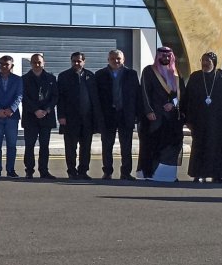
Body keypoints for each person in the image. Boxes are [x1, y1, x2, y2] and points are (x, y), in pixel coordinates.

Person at [183, 51, 222, 183]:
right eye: (203, 60)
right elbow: (188, 99)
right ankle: (198, 173)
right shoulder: (195, 77)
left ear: (213, 62)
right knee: (200, 147)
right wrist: (188, 119)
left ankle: (218, 175)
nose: (205, 63)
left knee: (219, 147)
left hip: (220, 121)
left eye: (207, 61)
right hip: (200, 121)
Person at [138, 45, 185, 181]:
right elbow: (144, 92)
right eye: (163, 56)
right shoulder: (149, 71)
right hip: (154, 116)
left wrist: (174, 103)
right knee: (153, 144)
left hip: (171, 117)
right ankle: (150, 173)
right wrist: (149, 111)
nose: (165, 58)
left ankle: (168, 174)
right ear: (158, 56)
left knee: (170, 144)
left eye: (168, 56)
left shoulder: (177, 73)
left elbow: (182, 93)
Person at [94, 49, 140, 181]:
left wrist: (137, 114)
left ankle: (126, 172)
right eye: (113, 58)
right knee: (107, 145)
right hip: (108, 115)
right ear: (108, 60)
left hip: (126, 114)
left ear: (123, 59)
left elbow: (136, 95)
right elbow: (96, 98)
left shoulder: (131, 74)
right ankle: (107, 171)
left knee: (126, 146)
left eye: (118, 58)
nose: (116, 61)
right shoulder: (100, 74)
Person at [56, 52, 97, 180]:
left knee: (86, 147)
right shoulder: (63, 76)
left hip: (87, 119)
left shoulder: (90, 76)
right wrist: (61, 116)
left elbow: (95, 98)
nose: (76, 63)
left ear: (84, 61)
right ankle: (72, 171)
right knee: (70, 147)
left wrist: (96, 118)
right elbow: (60, 98)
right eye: (74, 61)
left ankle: (83, 171)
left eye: (79, 61)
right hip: (70, 118)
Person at [21, 53, 58, 179]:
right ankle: (29, 170)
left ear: (44, 63)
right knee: (29, 145)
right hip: (30, 117)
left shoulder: (51, 78)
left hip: (46, 117)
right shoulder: (24, 79)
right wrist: (35, 110)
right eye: (34, 62)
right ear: (31, 64)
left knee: (44, 146)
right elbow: (24, 98)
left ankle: (44, 171)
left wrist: (47, 110)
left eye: (39, 62)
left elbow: (55, 97)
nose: (37, 65)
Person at [0, 56, 22, 178]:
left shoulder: (18, 80)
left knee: (11, 145)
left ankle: (10, 170)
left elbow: (19, 96)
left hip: (12, 117)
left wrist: (11, 109)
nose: (3, 66)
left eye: (6, 64)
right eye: (1, 64)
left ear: (11, 66)